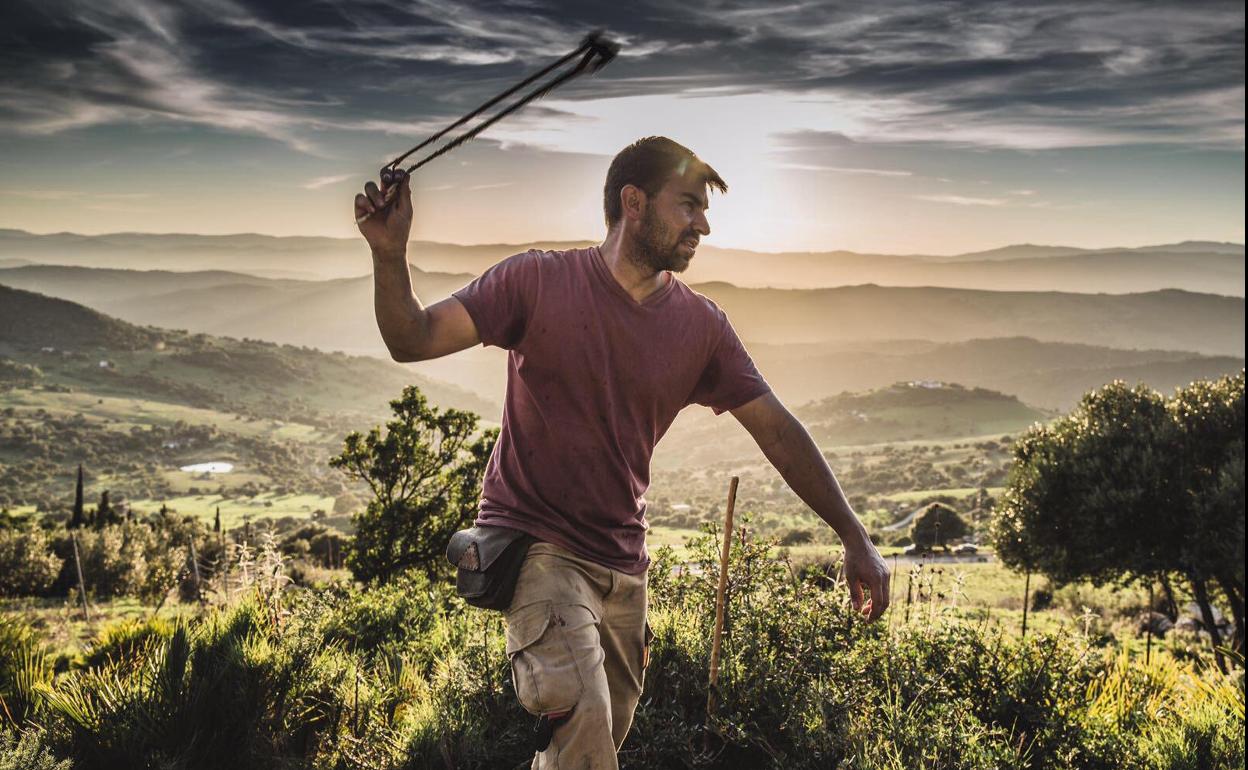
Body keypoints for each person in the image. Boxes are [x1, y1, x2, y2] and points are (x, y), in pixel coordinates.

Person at [355, 136, 890, 769]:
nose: (704, 225)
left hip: (623, 569)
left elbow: (776, 430)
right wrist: (390, 256)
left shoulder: (703, 327)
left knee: (587, 749)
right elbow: (412, 339)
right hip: (537, 549)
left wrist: (854, 536)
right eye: (688, 205)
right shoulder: (536, 281)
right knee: (583, 734)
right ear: (632, 202)